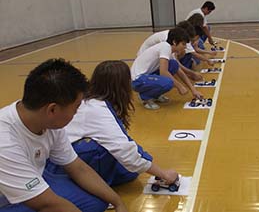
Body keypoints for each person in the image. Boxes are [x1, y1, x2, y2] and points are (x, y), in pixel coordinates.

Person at [0, 59, 128, 212]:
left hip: (35, 177)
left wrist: (118, 202)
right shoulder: (5, 140)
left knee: (97, 203)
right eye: (76, 107)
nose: (76, 113)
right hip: (6, 199)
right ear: (52, 109)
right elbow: (46, 204)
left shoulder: (47, 120)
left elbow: (78, 168)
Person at [46, 60, 179, 188]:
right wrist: (163, 174)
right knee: (103, 151)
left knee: (131, 168)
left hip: (56, 157)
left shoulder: (94, 100)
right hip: (59, 164)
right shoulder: (97, 109)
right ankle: (84, 183)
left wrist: (145, 160)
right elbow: (125, 151)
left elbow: (124, 141)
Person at [131, 27, 204, 110]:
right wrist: (179, 86)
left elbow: (179, 71)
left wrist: (193, 90)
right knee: (168, 82)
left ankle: (155, 95)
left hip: (146, 76)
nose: (184, 47)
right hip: (137, 80)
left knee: (173, 65)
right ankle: (145, 97)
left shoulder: (169, 50)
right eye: (183, 44)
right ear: (174, 42)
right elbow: (163, 72)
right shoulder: (165, 47)